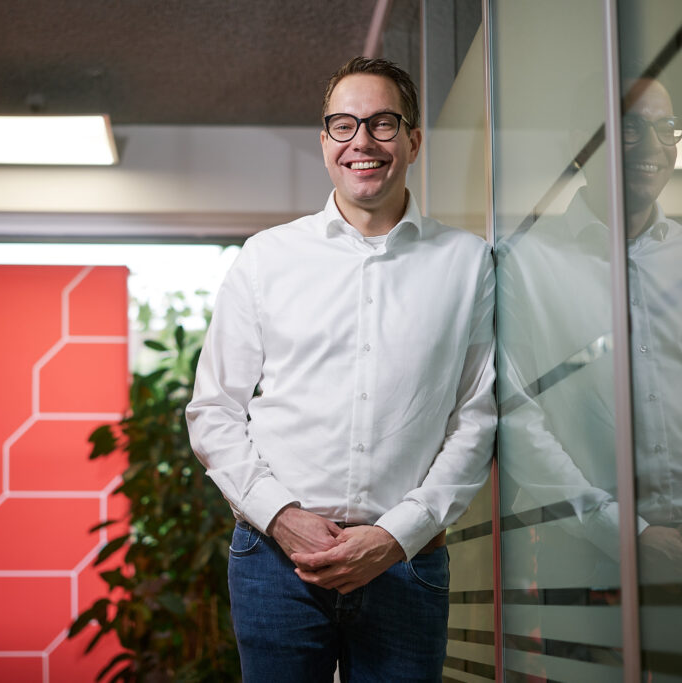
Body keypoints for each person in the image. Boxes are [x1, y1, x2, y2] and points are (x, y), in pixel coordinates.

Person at [185, 56, 496, 682]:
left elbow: (476, 419)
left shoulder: (467, 263)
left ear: (413, 140)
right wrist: (283, 518)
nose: (363, 141)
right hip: (277, 560)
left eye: (383, 123)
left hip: (404, 561)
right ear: (325, 141)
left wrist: (397, 534)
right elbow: (214, 411)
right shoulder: (266, 258)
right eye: (344, 125)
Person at [498, 76, 682, 680]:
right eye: (629, 127)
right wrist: (623, 533)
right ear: (583, 143)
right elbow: (518, 424)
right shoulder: (525, 265)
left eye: (666, 128)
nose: (652, 144)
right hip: (586, 557)